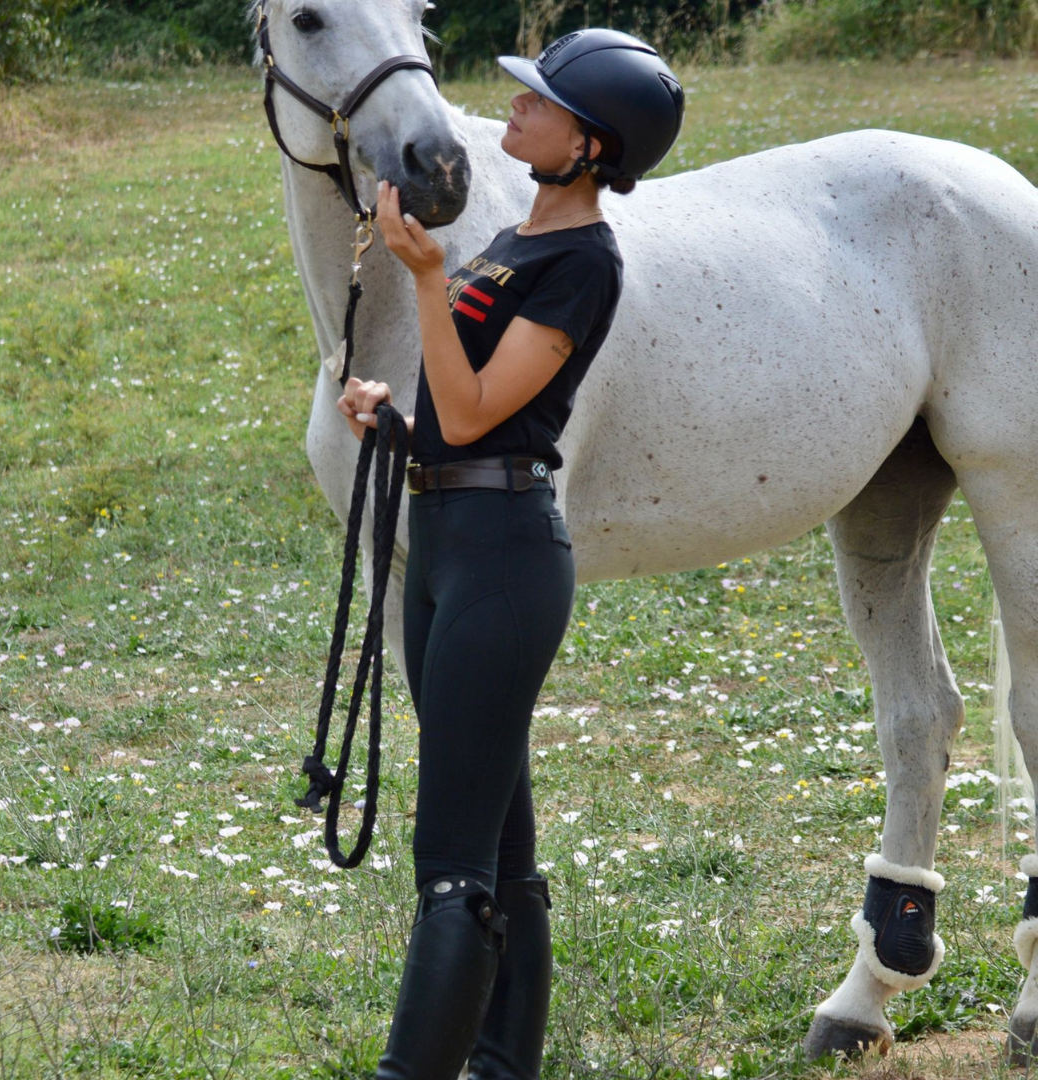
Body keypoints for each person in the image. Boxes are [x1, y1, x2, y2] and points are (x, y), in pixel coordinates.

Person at [336, 29, 684, 1080]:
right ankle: (503, 1068)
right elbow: (459, 407)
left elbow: (489, 406)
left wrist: (426, 279)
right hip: (445, 540)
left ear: (590, 146)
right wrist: (394, 421)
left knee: (450, 865)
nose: (509, 115)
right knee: (504, 848)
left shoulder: (582, 261)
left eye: (537, 106)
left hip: (502, 558)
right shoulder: (513, 244)